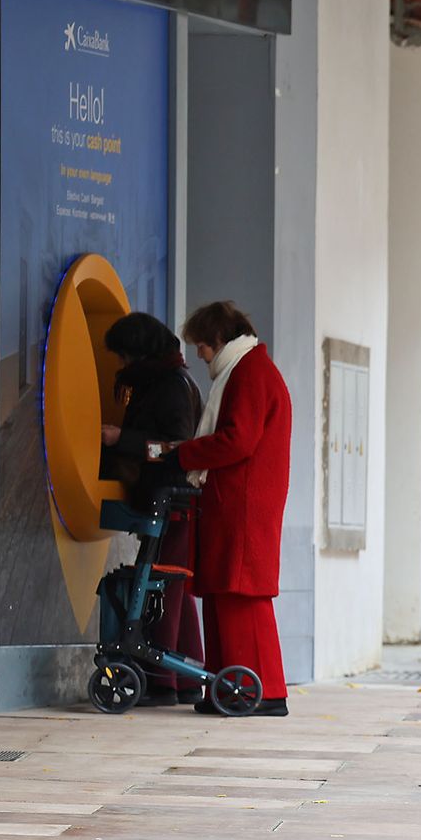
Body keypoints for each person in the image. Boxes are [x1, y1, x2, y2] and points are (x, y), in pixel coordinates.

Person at [166, 301, 293, 716]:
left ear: (218, 339)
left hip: (243, 503)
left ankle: (259, 690)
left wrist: (185, 454)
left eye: (202, 346)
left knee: (240, 593)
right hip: (236, 501)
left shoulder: (249, 372)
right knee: (227, 592)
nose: (201, 356)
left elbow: (238, 439)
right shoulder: (248, 369)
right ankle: (229, 688)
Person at [100, 312, 205, 705]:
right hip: (165, 500)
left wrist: (121, 439)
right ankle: (185, 679)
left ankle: (163, 681)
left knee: (165, 591)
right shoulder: (163, 381)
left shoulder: (171, 386)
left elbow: (177, 447)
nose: (123, 366)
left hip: (171, 501)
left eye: (126, 356)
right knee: (173, 587)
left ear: (141, 353)